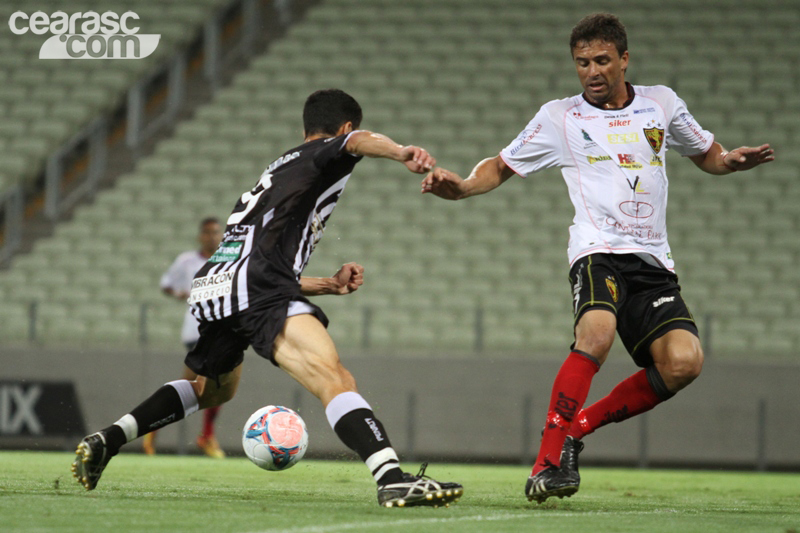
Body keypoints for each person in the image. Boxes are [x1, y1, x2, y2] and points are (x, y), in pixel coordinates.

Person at [421, 13, 774, 503]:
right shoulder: (559, 117)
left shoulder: (661, 104)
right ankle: (545, 464)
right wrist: (459, 187)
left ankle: (575, 432)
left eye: (602, 60)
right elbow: (500, 165)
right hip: (596, 250)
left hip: (652, 261)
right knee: (597, 333)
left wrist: (731, 161)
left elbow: (707, 153)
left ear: (624, 59)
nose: (591, 71)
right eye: (582, 62)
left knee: (684, 362)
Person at [72, 88, 463, 508]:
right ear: (344, 127)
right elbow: (358, 142)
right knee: (335, 379)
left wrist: (328, 285)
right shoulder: (327, 152)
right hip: (255, 287)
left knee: (210, 392)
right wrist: (402, 151)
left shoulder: (278, 170)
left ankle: (107, 440)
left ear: (303, 127)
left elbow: (260, 264)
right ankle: (391, 477)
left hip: (218, 286)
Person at [143, 217, 226, 458]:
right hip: (196, 330)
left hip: (217, 328)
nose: (212, 236)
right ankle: (205, 436)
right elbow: (166, 283)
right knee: (211, 383)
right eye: (208, 232)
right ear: (201, 236)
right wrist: (179, 293)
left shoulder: (226, 260)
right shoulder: (187, 260)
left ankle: (154, 425)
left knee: (195, 386)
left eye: (216, 232)